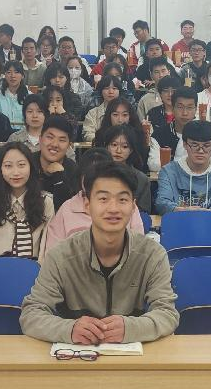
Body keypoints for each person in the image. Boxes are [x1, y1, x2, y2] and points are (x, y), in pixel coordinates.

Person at [21, 158, 180, 346]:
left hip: (131, 358)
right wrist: (69, 329)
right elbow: (31, 314)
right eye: (103, 199)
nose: (113, 208)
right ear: (87, 205)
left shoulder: (152, 255)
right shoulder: (61, 256)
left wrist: (131, 328)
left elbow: (167, 314)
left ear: (133, 206)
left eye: (122, 199)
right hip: (76, 356)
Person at [44, 147, 145, 255]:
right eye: (89, 176)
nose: (94, 181)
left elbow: (138, 248)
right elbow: (52, 252)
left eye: (101, 176)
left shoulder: (127, 206)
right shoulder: (67, 208)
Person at [0, 142, 54, 258]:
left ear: (31, 167)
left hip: (33, 267)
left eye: (21, 165)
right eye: (8, 166)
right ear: (0, 169)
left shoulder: (45, 202)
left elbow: (46, 252)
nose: (15, 172)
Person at [156, 120, 211, 214]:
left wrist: (207, 214)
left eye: (206, 146)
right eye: (194, 145)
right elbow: (162, 202)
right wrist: (185, 211)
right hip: (179, 220)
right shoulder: (168, 171)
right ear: (185, 144)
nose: (200, 151)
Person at [93, 96, 160, 173]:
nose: (120, 120)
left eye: (124, 115)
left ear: (130, 116)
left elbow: (142, 166)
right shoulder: (101, 135)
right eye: (115, 115)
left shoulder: (138, 136)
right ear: (109, 116)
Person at [97, 125, 152, 213]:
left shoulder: (141, 179)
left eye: (125, 146)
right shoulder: (96, 175)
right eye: (114, 145)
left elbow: (143, 213)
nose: (118, 151)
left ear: (131, 150)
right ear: (106, 146)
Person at [32, 115, 79, 210]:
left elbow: (69, 210)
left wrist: (59, 177)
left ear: (69, 146)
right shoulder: (28, 164)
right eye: (50, 137)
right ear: (40, 139)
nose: (54, 144)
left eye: (62, 140)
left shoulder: (74, 171)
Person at [150, 82, 194, 161]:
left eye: (190, 108)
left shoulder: (203, 133)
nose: (185, 113)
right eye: (180, 107)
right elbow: (153, 163)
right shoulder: (159, 135)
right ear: (172, 109)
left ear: (196, 109)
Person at [82, 75, 121, 142]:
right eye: (106, 88)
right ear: (101, 91)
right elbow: (88, 134)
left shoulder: (126, 111)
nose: (111, 92)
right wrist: (105, 141)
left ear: (119, 91)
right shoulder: (92, 113)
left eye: (114, 88)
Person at [0, 61, 28, 128]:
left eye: (16, 72)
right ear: (4, 75)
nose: (13, 76)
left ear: (22, 75)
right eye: (9, 72)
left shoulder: (29, 96)